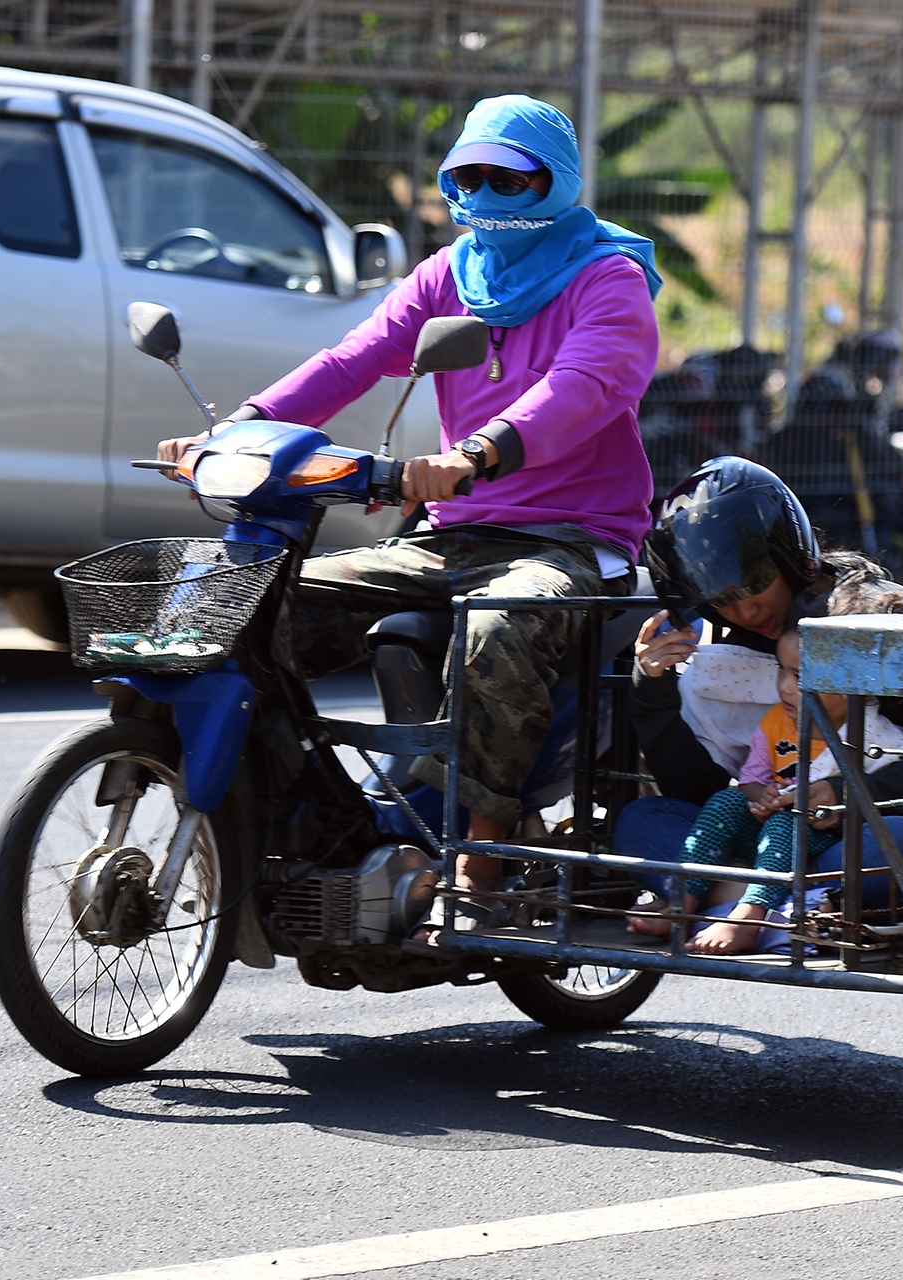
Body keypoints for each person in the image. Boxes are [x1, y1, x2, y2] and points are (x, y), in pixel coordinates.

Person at [157, 94, 662, 932]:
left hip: (572, 541)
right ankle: (308, 810)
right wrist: (237, 432)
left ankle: (483, 853)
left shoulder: (606, 277)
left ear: (557, 179)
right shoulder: (449, 274)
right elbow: (351, 359)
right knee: (263, 600)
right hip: (455, 535)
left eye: (510, 175)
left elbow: (585, 387)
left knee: (503, 624)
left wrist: (478, 453)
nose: (488, 193)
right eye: (470, 175)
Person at [621, 457, 903, 927]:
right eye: (721, 599)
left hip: (889, 836)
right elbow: (698, 792)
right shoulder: (737, 639)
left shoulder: (883, 614)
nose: (744, 609)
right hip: (780, 837)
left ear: (789, 552)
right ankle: (772, 898)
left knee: (901, 846)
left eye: (753, 583)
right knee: (641, 821)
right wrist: (652, 688)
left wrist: (844, 795)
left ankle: (728, 894)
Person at [632, 581, 903, 954]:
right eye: (783, 670)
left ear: (856, 682)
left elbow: (891, 799)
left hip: (831, 844)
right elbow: (751, 779)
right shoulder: (777, 722)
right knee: (720, 804)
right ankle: (685, 900)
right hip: (773, 838)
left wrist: (837, 797)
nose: (785, 686)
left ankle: (751, 914)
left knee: (796, 824)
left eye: (800, 678)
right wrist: (761, 796)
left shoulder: (876, 736)